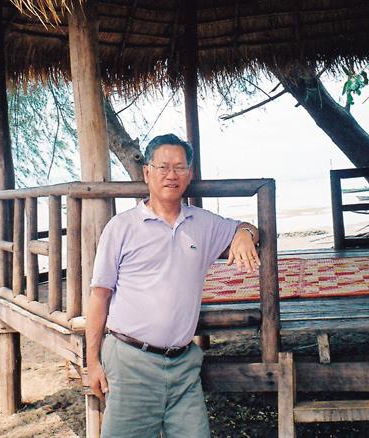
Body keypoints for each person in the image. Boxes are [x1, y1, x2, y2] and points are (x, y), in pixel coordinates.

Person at [86, 133, 260, 437]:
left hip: (183, 367)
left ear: (190, 175)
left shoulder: (203, 224)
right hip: (130, 363)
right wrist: (92, 363)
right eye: (163, 166)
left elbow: (247, 228)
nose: (171, 175)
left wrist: (245, 234)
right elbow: (99, 297)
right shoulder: (121, 227)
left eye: (180, 167)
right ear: (147, 173)